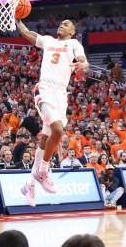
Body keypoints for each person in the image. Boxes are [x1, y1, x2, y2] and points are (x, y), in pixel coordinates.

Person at [17, 18, 89, 206]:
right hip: (44, 90)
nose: (61, 25)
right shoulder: (48, 40)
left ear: (73, 31)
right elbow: (30, 35)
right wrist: (18, 21)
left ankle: (30, 184)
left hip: (60, 95)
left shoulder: (74, 43)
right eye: (61, 23)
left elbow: (83, 61)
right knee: (57, 131)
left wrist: (83, 65)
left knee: (46, 138)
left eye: (66, 24)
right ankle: (43, 171)